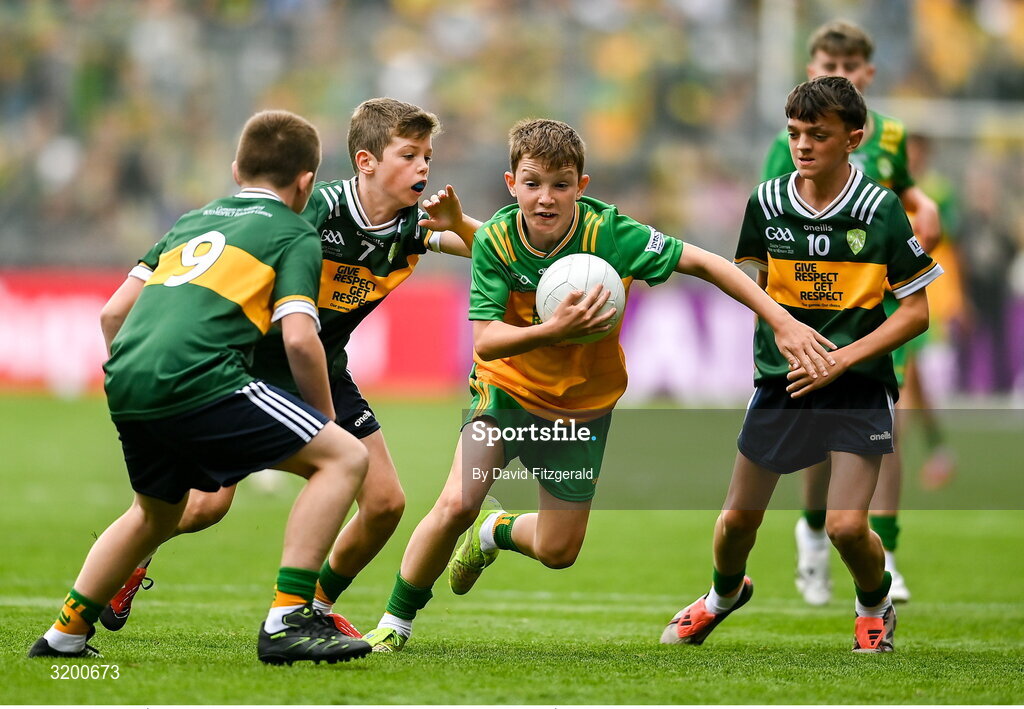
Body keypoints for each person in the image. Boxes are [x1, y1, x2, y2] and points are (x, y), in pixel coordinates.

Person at [358, 117, 836, 653]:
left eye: (561, 184)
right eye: (533, 183)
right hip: (505, 392)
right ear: (511, 182)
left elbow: (703, 262)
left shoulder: (610, 233)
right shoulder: (493, 236)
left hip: (581, 410)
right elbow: (486, 343)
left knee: (560, 551)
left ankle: (497, 531)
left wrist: (782, 320)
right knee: (456, 502)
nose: (546, 198)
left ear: (581, 187)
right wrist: (553, 329)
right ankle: (394, 625)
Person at [98, 98, 481, 638]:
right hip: (250, 361)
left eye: (428, 156)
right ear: (367, 162)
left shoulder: (414, 226)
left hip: (321, 367)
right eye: (409, 155)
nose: (424, 167)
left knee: (385, 503)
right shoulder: (312, 210)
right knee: (207, 507)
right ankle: (128, 563)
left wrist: (460, 223)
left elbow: (493, 247)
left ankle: (313, 608)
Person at [27, 110, 373, 665]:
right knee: (345, 459)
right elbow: (302, 342)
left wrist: (145, 377)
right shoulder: (293, 232)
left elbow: (113, 314)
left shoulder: (192, 220)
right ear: (307, 183)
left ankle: (65, 633)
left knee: (154, 515)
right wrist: (327, 424)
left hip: (127, 380)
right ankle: (288, 620)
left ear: (237, 169)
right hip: (202, 377)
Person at [661, 76, 942, 653]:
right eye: (794, 134)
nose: (803, 145)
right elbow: (749, 283)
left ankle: (873, 603)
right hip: (781, 382)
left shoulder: (880, 210)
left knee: (844, 526)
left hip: (856, 386)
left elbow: (915, 312)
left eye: (819, 134)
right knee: (738, 523)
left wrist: (841, 360)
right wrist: (780, 328)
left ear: (853, 138)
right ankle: (721, 596)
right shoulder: (766, 203)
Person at [761, 19, 943, 606]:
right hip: (816, 305)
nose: (835, 74)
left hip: (882, 301)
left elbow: (907, 196)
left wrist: (925, 206)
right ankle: (814, 533)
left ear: (866, 74)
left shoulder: (889, 137)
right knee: (820, 436)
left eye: (847, 67)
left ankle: (882, 549)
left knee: (888, 424)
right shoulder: (787, 145)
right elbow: (773, 228)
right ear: (810, 67)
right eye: (825, 65)